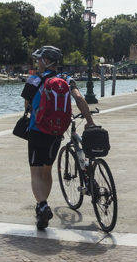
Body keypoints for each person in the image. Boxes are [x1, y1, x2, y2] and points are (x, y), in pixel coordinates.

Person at [21, 45, 95, 230]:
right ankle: (42, 209)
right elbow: (79, 98)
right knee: (47, 171)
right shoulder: (67, 79)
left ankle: (43, 205)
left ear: (47, 61)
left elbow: (27, 105)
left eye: (39, 59)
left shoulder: (34, 79)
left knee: (36, 173)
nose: (37, 62)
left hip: (37, 131)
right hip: (56, 133)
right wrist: (89, 121)